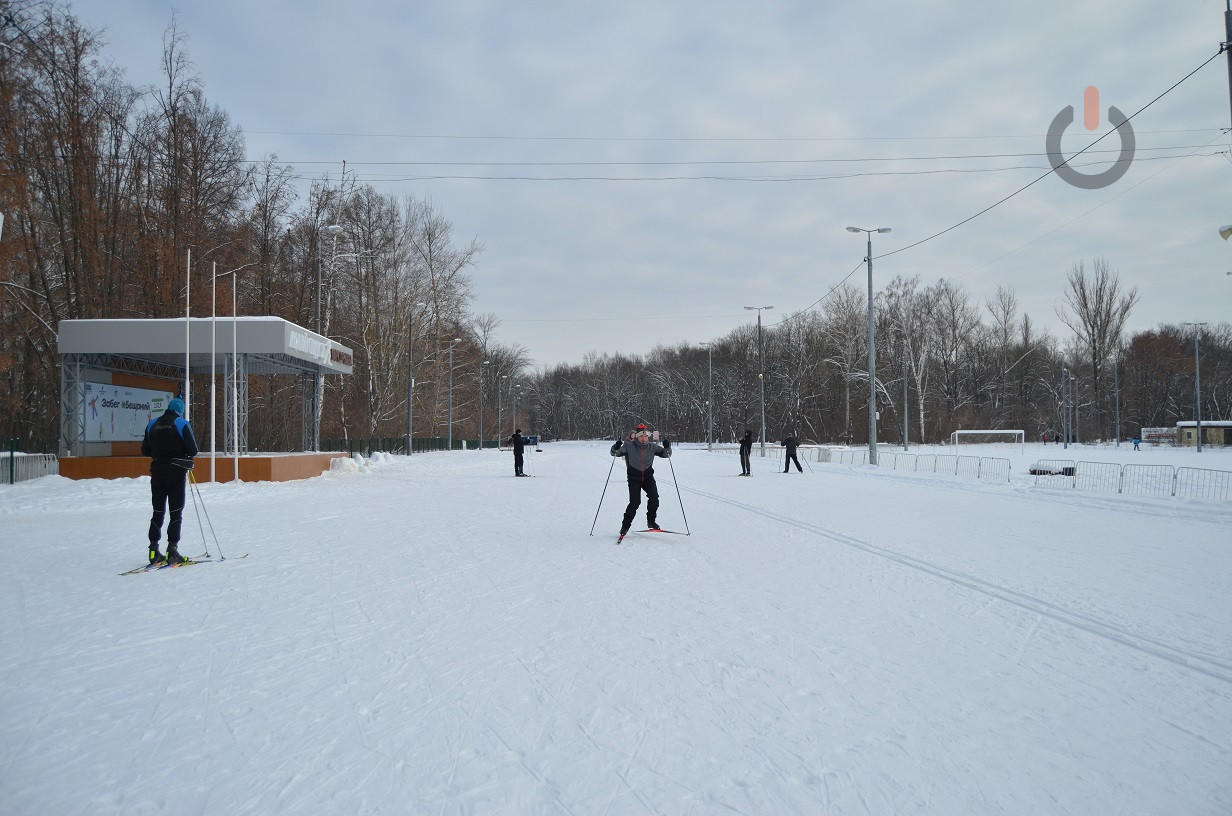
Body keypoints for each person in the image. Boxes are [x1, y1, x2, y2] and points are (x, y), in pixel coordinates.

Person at [141, 397, 198, 565]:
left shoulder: (152, 424)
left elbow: (145, 450)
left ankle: (153, 550)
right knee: (176, 512)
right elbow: (193, 449)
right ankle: (172, 550)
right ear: (180, 410)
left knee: (157, 512)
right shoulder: (181, 423)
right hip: (176, 474)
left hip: (157, 473)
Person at [610, 422, 671, 538]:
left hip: (648, 477)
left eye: (646, 436)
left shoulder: (653, 447)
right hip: (634, 478)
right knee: (634, 503)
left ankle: (651, 521)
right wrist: (616, 447)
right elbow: (615, 453)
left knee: (654, 498)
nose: (643, 438)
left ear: (648, 436)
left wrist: (667, 447)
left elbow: (666, 454)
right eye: (641, 436)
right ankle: (625, 527)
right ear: (637, 436)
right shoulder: (629, 446)